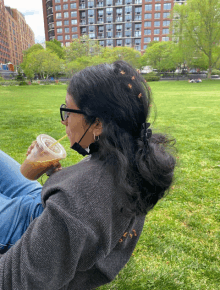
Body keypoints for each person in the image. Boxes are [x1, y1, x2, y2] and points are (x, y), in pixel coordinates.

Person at [0, 60, 176, 289]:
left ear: (97, 124)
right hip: (46, 206)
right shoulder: (129, 154)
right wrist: (54, 172)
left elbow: (12, 279)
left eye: (68, 111)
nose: (64, 121)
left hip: (30, 227)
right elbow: (84, 205)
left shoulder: (76, 205)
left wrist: (64, 194)